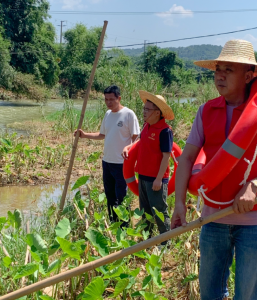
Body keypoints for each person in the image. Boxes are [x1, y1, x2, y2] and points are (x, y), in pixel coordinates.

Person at [171, 39, 257, 300]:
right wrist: (179, 203)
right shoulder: (205, 111)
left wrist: (254, 186)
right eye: (218, 69)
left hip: (252, 223)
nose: (219, 75)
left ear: (249, 75)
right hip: (212, 220)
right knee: (210, 294)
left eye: (229, 69)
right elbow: (186, 159)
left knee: (247, 296)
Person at [74, 85, 140, 223]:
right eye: (106, 99)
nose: (108, 102)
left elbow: (137, 138)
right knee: (109, 195)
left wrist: (128, 148)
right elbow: (102, 135)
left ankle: (124, 225)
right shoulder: (108, 114)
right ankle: (112, 222)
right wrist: (85, 135)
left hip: (122, 163)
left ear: (119, 98)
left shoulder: (129, 114)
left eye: (111, 99)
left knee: (121, 196)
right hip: (107, 161)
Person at [122, 91, 174, 243]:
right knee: (145, 211)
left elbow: (166, 156)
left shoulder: (165, 131)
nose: (143, 112)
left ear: (157, 112)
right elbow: (140, 142)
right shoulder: (146, 126)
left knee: (159, 211)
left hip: (156, 179)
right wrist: (128, 147)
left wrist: (159, 179)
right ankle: (146, 240)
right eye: (144, 109)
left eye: (147, 110)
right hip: (143, 176)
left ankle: (166, 243)